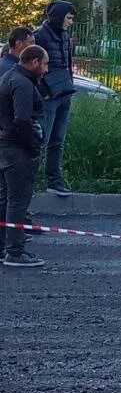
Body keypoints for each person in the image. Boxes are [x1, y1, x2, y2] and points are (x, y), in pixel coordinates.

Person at [0, 45, 48, 267]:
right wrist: (33, 146)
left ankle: (5, 247)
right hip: (18, 150)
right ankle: (15, 251)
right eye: (45, 64)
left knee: (5, 200)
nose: (46, 70)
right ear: (35, 61)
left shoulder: (8, 77)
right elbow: (22, 119)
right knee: (18, 201)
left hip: (5, 146)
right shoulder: (22, 83)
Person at [33, 1, 76, 197]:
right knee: (42, 139)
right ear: (58, 17)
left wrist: (70, 84)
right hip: (48, 97)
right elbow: (33, 66)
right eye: (68, 18)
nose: (70, 22)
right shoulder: (40, 35)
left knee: (58, 140)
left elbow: (68, 63)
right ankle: (30, 181)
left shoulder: (65, 36)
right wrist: (43, 91)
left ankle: (54, 181)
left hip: (65, 93)